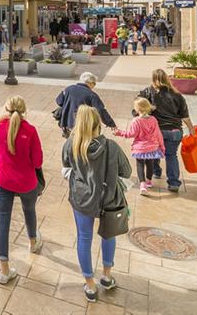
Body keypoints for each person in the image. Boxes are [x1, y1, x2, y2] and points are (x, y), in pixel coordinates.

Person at [62, 105, 131, 303]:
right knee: (108, 235)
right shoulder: (111, 147)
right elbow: (125, 172)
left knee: (84, 238)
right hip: (108, 198)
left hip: (82, 199)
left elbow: (66, 165)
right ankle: (107, 276)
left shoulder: (71, 145)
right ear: (97, 124)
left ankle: (90, 285)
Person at [0, 96, 43, 284]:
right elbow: (37, 162)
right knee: (29, 211)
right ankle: (33, 243)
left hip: (2, 180)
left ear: (6, 109)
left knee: (4, 219)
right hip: (26, 182)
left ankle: (4, 270)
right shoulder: (31, 131)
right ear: (24, 110)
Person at [137, 69, 194, 192]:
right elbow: (185, 116)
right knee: (171, 155)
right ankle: (173, 182)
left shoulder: (147, 93)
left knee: (153, 152)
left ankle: (156, 171)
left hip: (156, 131)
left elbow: (136, 110)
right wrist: (191, 129)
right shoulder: (177, 95)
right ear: (167, 79)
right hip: (175, 131)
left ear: (153, 79)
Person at [113, 97, 164, 196]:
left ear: (137, 109)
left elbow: (130, 134)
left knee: (140, 165)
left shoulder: (136, 121)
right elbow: (158, 134)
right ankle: (149, 181)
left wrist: (119, 133)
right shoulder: (153, 119)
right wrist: (162, 146)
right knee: (150, 164)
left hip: (140, 148)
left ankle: (142, 185)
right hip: (152, 147)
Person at [56, 72, 117, 138]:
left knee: (71, 143)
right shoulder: (92, 95)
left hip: (66, 124)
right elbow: (101, 111)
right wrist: (111, 123)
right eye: (94, 83)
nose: (94, 86)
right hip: (81, 126)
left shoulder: (68, 88)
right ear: (89, 83)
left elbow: (59, 101)